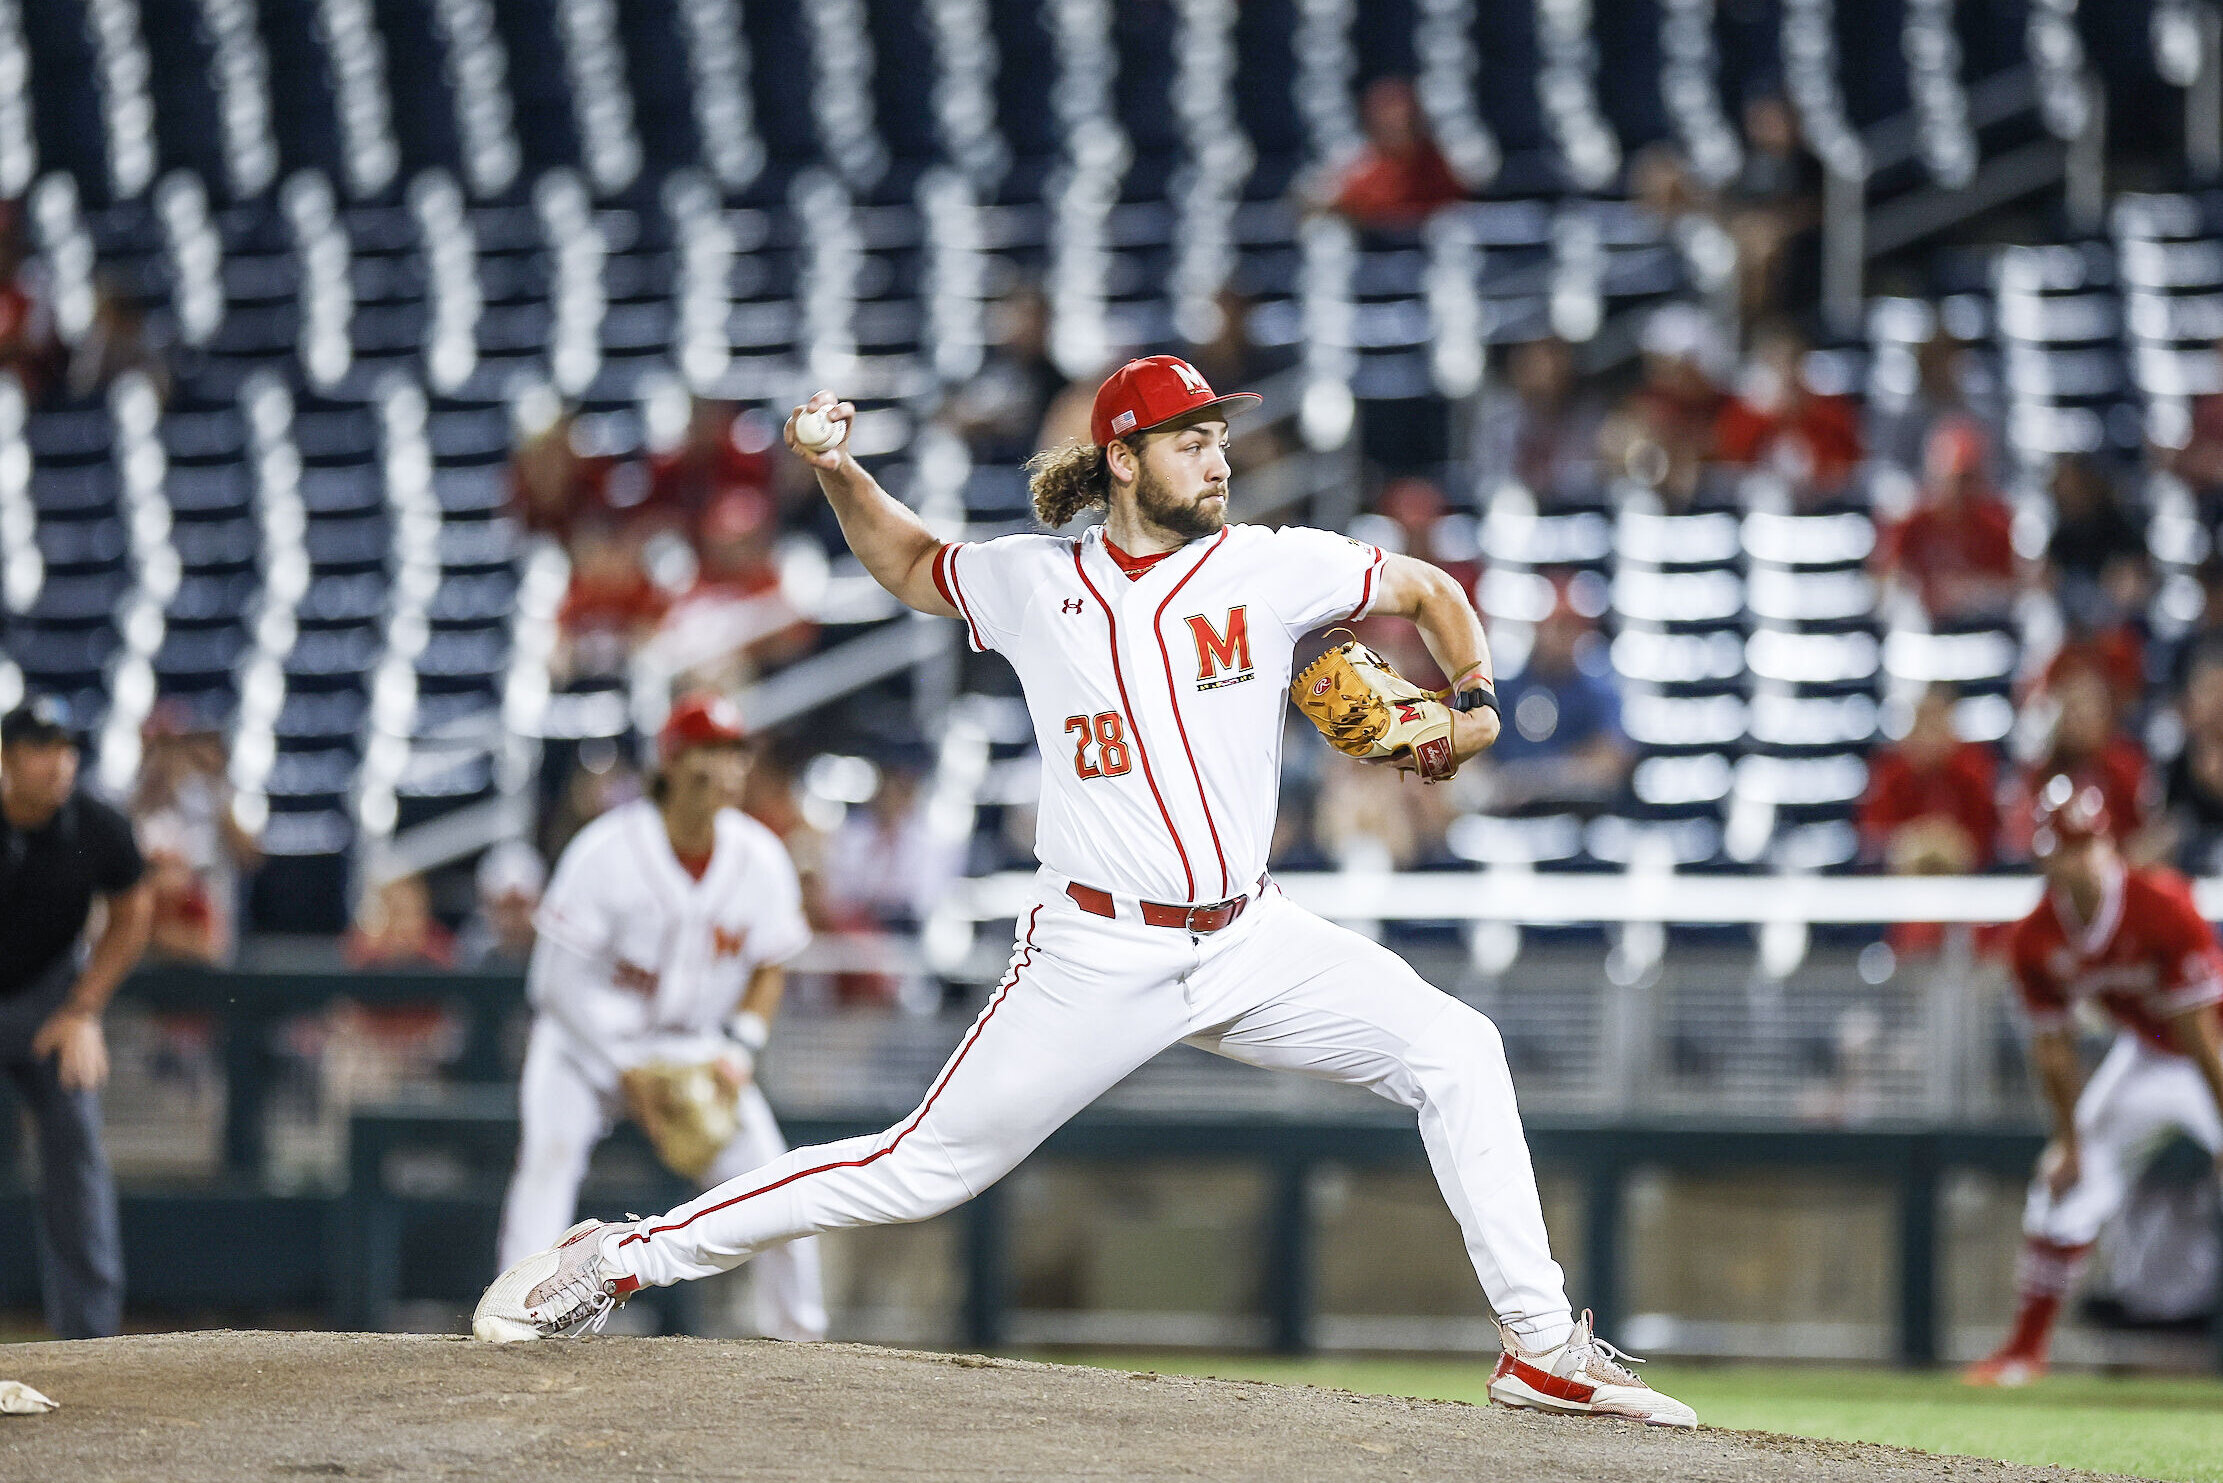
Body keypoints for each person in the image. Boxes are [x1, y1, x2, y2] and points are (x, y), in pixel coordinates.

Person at [475, 356, 1699, 1427]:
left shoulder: (1276, 568)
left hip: (1251, 934)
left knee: (1458, 1047)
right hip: (1096, 953)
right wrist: (841, 472)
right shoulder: (1034, 581)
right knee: (916, 1167)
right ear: (1123, 457)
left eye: (1220, 436)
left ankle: (1540, 1349)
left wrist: (1476, 706)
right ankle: (622, 1258)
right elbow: (907, 559)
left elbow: (1429, 589)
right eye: (1190, 438)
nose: (1217, 456)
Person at [489, 692, 826, 1343]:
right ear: (671, 760)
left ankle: (799, 1337)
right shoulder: (605, 851)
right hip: (587, 1045)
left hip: (696, 1049)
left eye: (733, 752)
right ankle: (517, 1319)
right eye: (707, 749)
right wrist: (623, 1068)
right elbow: (552, 983)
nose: (724, 766)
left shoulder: (759, 857)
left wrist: (741, 1046)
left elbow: (769, 964)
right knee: (548, 1160)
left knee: (777, 1187)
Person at [1965, 782, 2223, 1386]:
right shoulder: (2035, 935)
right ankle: (2024, 1351)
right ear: (2044, 855)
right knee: (2065, 1185)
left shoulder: (2160, 902)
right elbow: (2054, 1052)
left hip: (2210, 1046)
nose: (2079, 860)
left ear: (2108, 843)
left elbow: (2200, 1033)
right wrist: (2069, 1142)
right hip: (2151, 1053)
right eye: (2065, 848)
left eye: (2088, 846)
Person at [0, 695, 151, 1338]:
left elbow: (132, 910)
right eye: (40, 750)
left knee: (77, 1155)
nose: (58, 765)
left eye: (66, 750)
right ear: (6, 759)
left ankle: (91, 1344)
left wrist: (84, 1009)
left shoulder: (96, 826)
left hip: (50, 1002)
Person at [1875, 418, 2019, 622]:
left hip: (1979, 626)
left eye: (1968, 479)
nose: (1960, 490)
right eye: (1955, 478)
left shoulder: (1996, 522)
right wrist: (1923, 590)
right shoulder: (1910, 520)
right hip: (1925, 627)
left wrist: (1970, 590)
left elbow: (2012, 585)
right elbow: (1884, 581)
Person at [1325, 76, 1466, 231]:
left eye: (1406, 120)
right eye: (1388, 122)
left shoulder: (1437, 165)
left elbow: (1452, 205)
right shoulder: (1359, 169)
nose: (1398, 125)